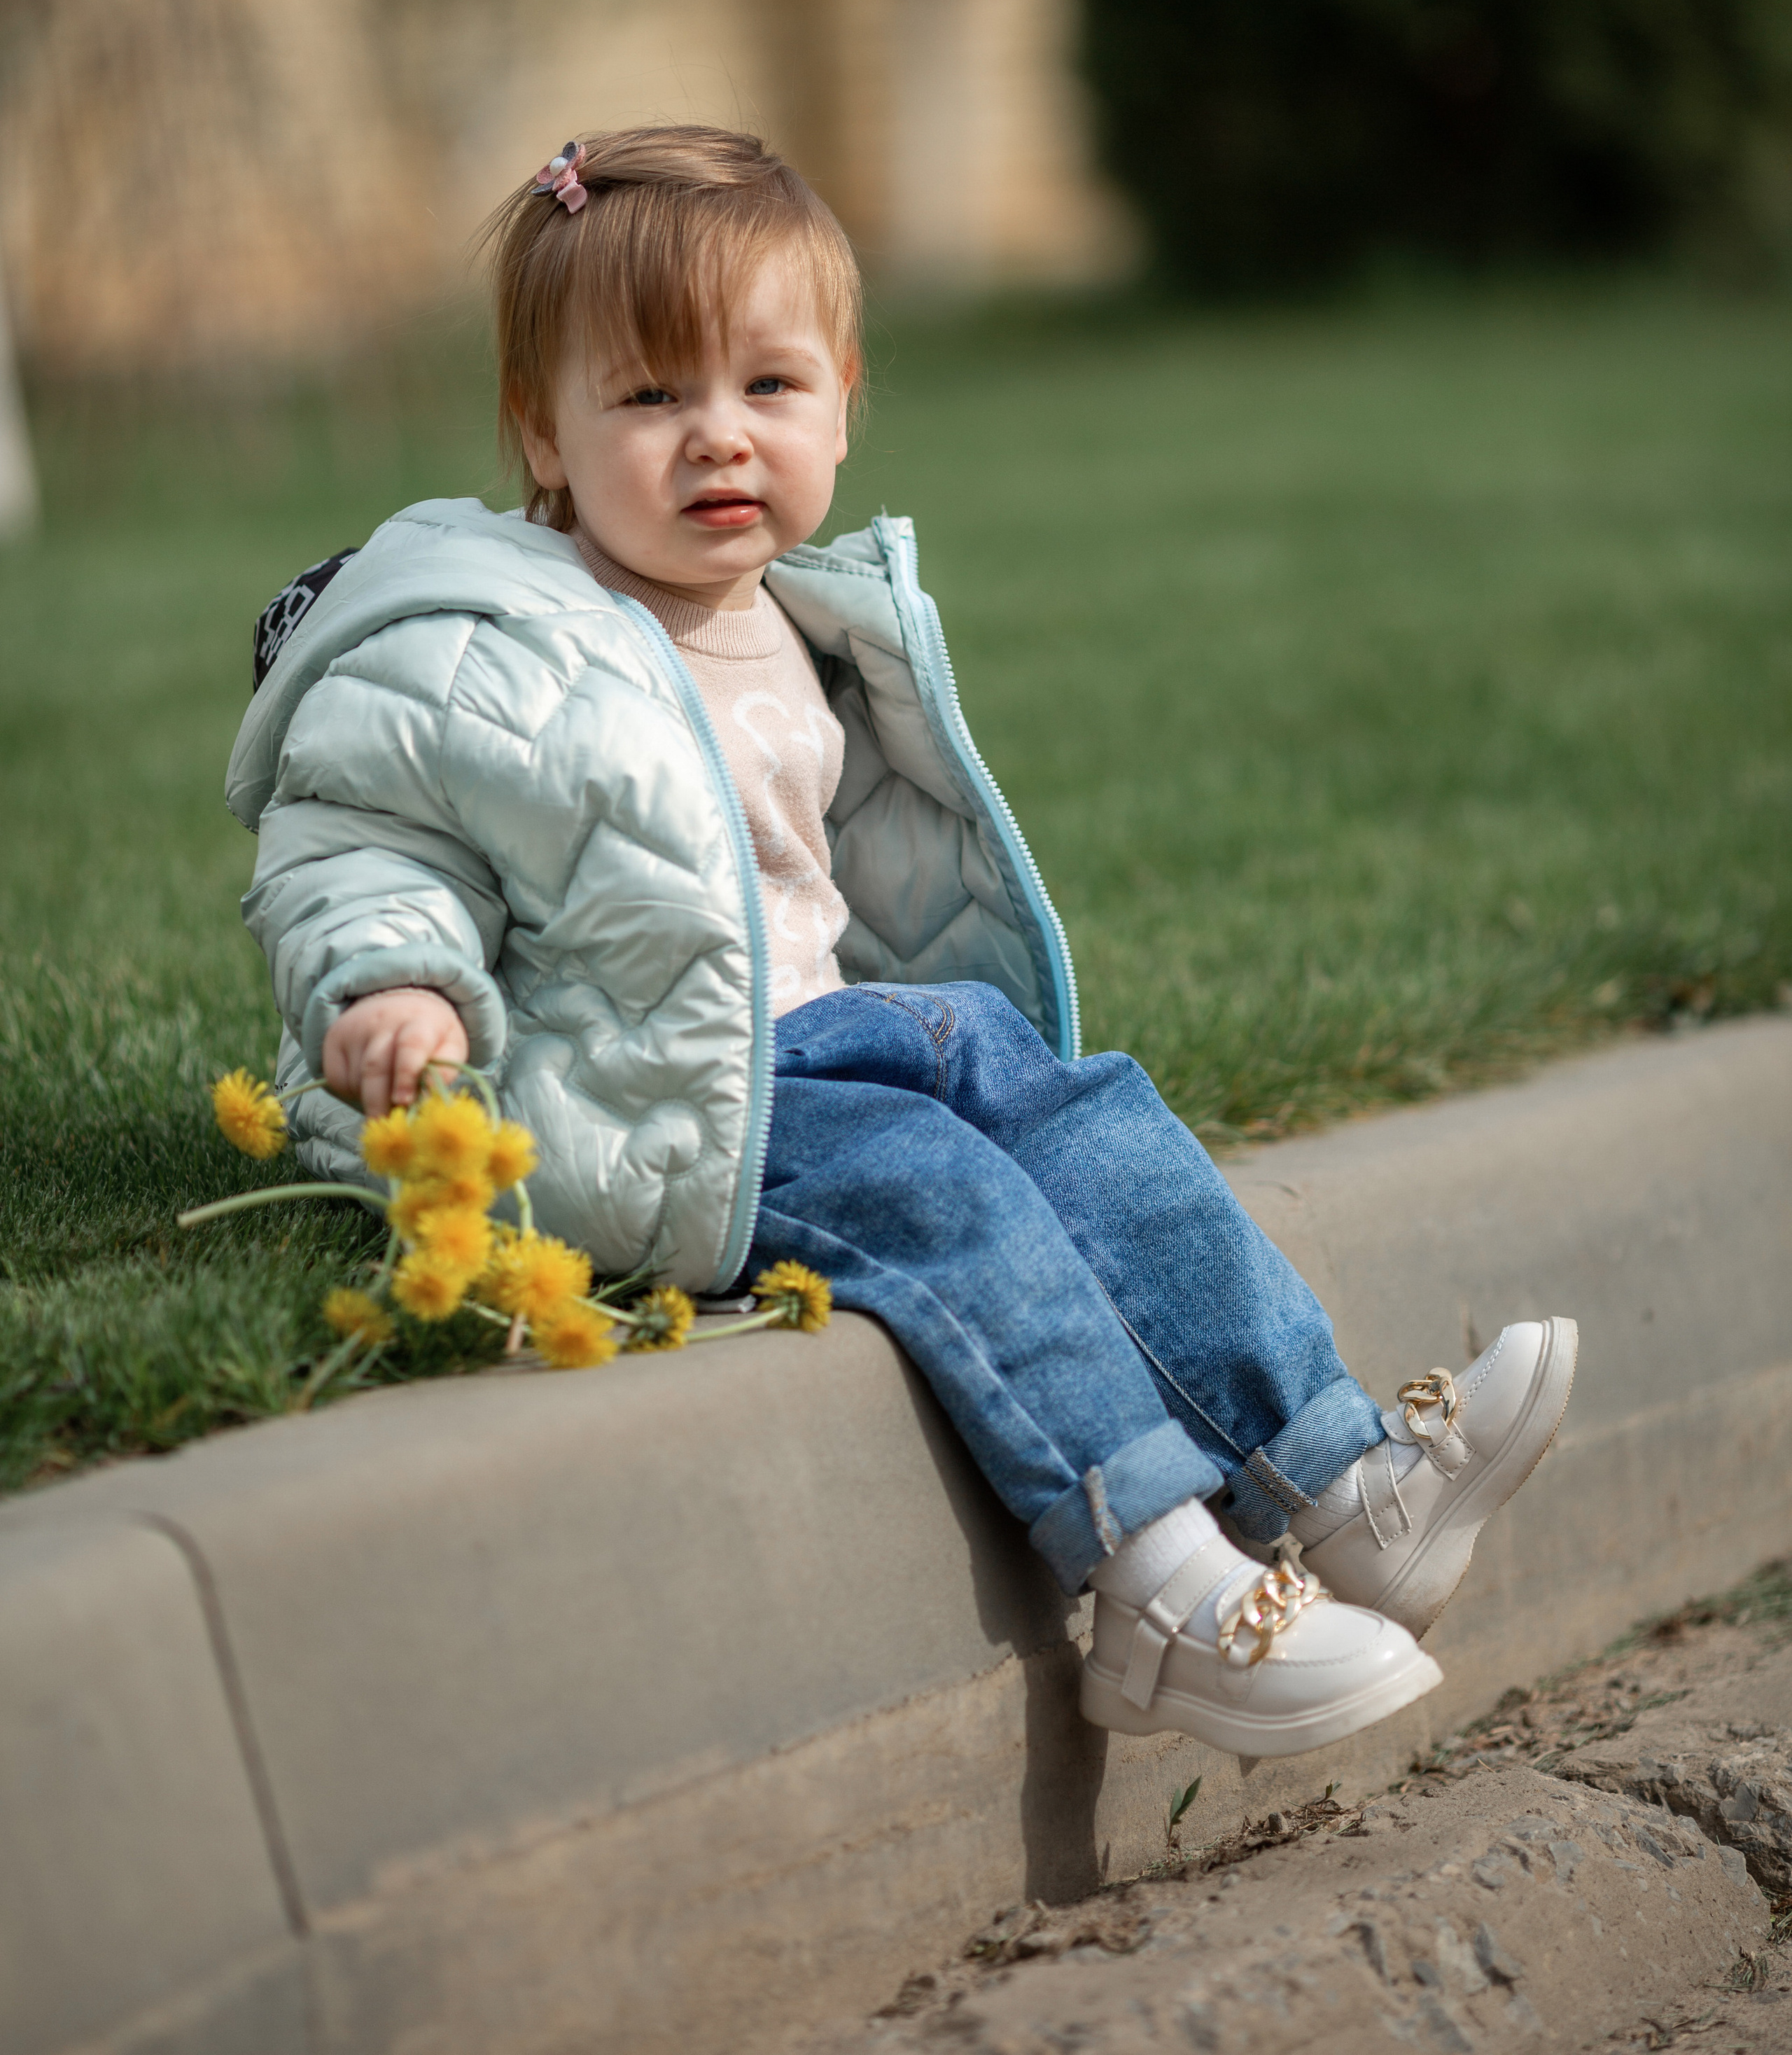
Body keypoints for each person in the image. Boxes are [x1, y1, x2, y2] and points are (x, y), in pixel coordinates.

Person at [227, 125, 1576, 1761]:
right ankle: (1151, 1581)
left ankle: (1341, 1481)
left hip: (819, 1038)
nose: (713, 437)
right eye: (648, 399)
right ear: (542, 430)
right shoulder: (491, 646)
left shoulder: (794, 613)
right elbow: (363, 835)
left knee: (1069, 1108)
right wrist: (392, 983)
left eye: (766, 389)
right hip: (641, 1099)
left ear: (844, 398)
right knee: (946, 1197)